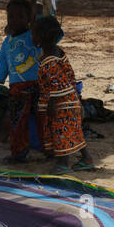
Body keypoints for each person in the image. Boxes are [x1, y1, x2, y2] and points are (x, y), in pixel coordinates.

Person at [32, 15, 92, 169]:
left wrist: (52, 104)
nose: (32, 36)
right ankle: (86, 159)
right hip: (70, 100)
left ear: (42, 36)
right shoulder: (58, 52)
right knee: (74, 132)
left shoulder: (49, 59)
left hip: (60, 104)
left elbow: (56, 84)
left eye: (34, 33)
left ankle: (63, 163)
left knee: (61, 132)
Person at [0, 0, 41, 163]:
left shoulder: (33, 36)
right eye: (11, 17)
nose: (15, 20)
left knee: (42, 118)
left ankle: (49, 149)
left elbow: (53, 38)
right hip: (17, 89)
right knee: (17, 122)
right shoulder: (7, 42)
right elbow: (2, 63)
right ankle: (18, 153)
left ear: (28, 19)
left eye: (20, 17)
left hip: (38, 85)